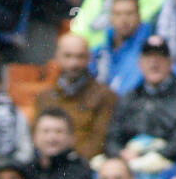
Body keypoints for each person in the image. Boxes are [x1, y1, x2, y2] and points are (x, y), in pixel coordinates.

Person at [34, 33, 116, 162]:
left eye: (80, 56)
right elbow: (37, 140)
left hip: (83, 167)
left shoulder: (104, 96)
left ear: (89, 58)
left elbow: (98, 141)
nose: (74, 63)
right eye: (68, 56)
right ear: (57, 57)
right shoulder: (44, 97)